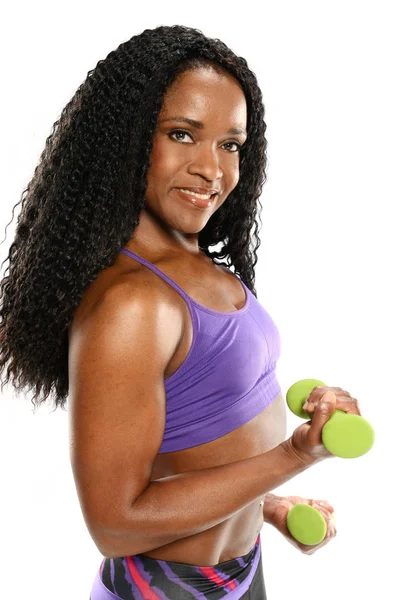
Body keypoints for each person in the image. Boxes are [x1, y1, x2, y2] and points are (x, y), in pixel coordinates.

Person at [0, 24, 362, 600]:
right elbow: (115, 523)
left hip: (241, 576)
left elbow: (191, 450)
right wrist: (295, 455)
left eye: (230, 144)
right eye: (181, 134)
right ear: (127, 138)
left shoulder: (198, 265)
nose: (211, 170)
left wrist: (264, 505)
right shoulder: (133, 302)